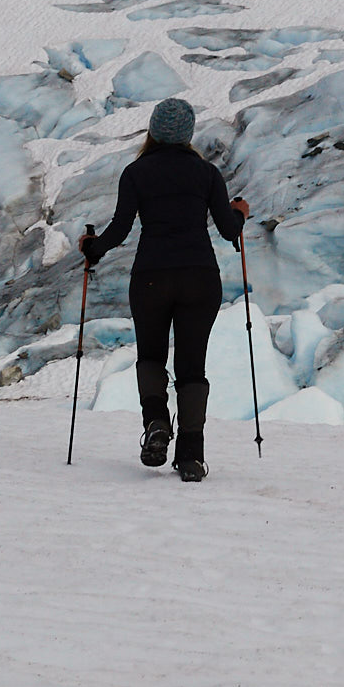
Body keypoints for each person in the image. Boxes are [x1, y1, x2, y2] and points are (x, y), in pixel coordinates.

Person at [79, 97, 248, 482]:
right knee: (192, 366)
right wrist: (240, 212)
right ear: (188, 134)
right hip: (199, 276)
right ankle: (191, 456)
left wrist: (92, 248)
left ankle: (156, 422)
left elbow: (120, 230)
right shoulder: (207, 174)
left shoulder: (136, 173)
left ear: (153, 130)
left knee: (151, 357)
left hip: (152, 276)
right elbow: (228, 230)